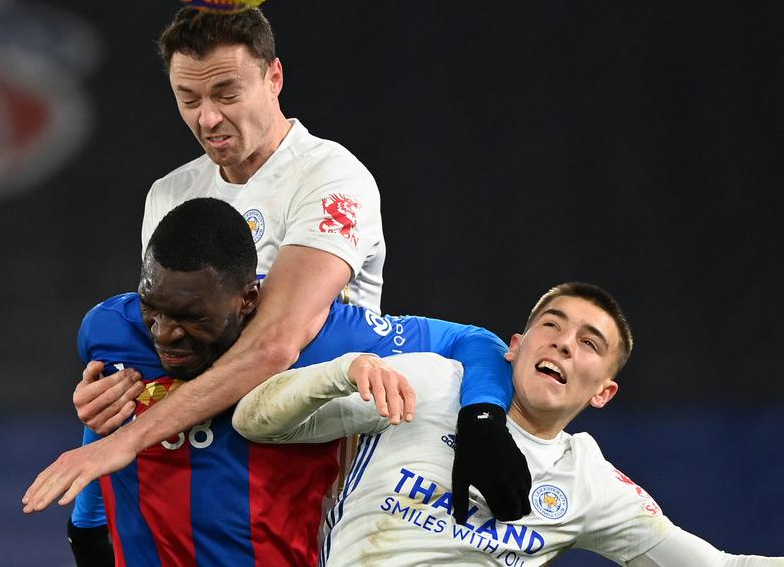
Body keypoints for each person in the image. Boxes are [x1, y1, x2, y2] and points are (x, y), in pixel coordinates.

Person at [26, 7, 531, 532]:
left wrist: (128, 439)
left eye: (226, 93)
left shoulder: (331, 177)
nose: (207, 118)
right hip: (211, 477)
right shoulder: (169, 195)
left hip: (313, 475)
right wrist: (117, 392)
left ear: (274, 78)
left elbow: (276, 343)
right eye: (188, 99)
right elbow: (176, 340)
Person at [35, 197, 522, 565]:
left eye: (189, 317)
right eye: (152, 308)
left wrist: (483, 419)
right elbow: (106, 426)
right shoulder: (111, 328)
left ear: (248, 299)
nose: (164, 334)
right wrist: (88, 530)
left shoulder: (324, 337)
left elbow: (475, 341)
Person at [231, 282, 784, 565]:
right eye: (552, 326)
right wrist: (341, 372)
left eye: (589, 345)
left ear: (603, 393)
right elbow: (256, 421)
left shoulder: (586, 482)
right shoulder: (426, 381)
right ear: (515, 347)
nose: (565, 344)